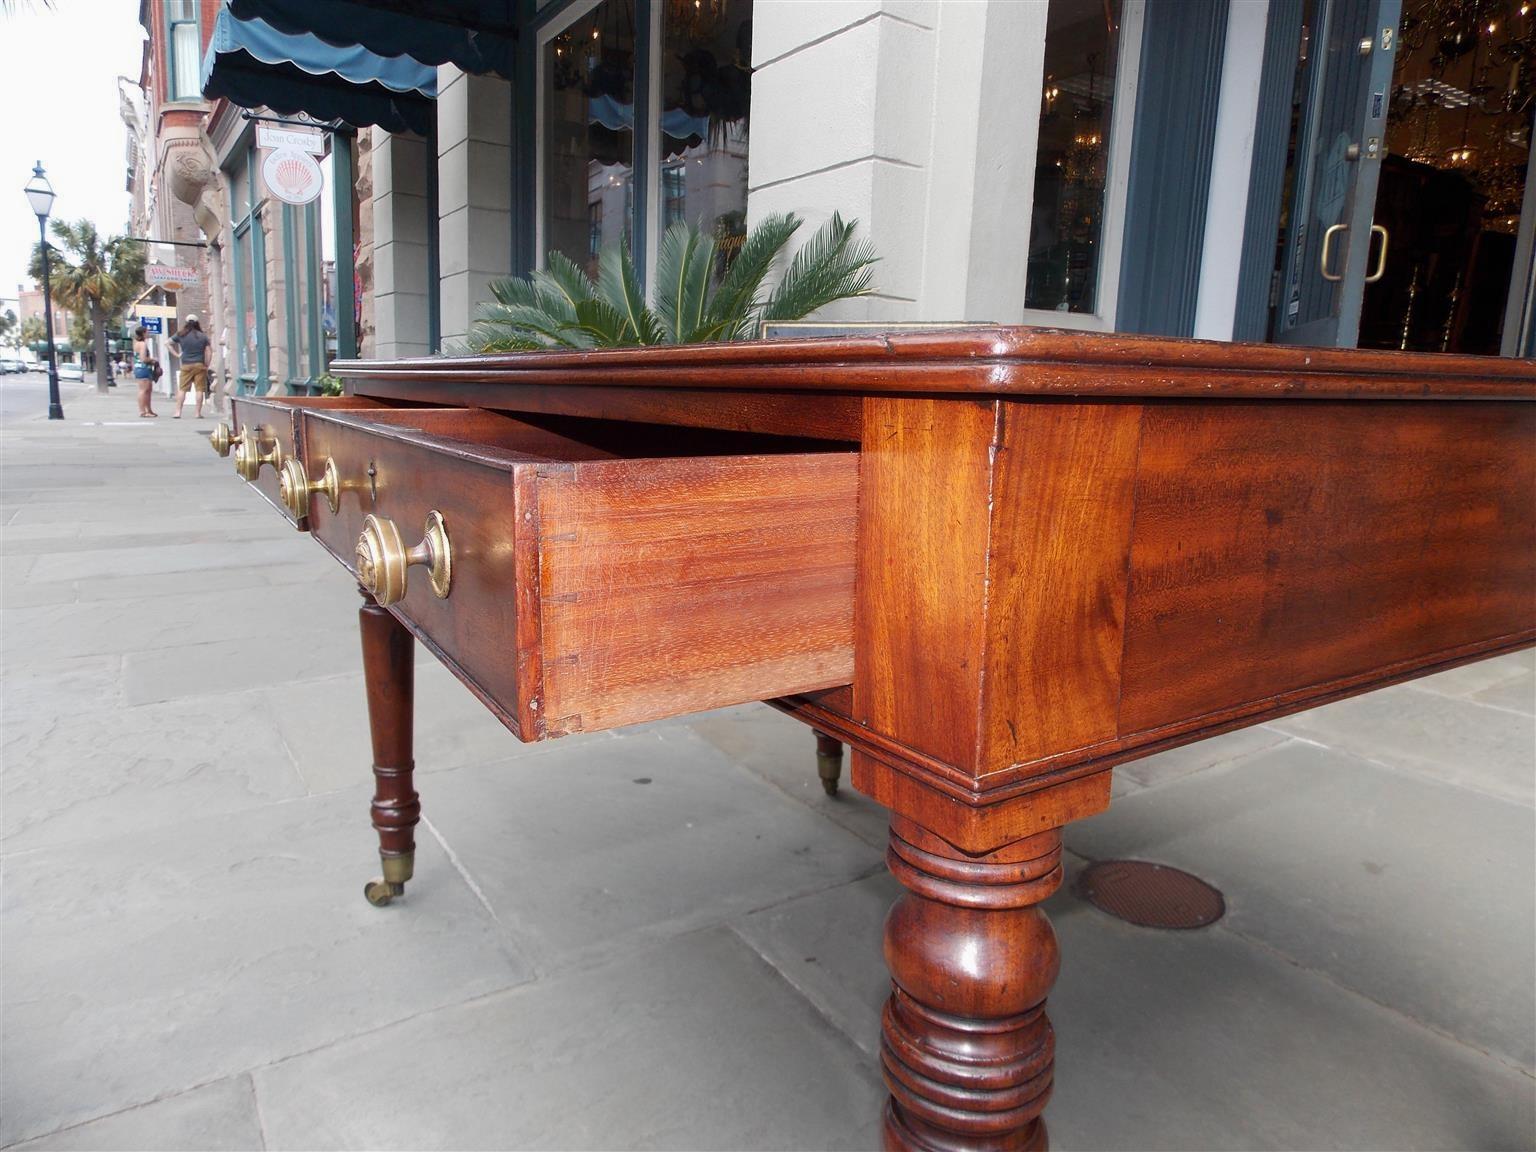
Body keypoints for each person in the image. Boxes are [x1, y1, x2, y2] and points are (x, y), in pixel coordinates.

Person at [169, 314, 211, 419]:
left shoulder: (181, 335)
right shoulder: (202, 336)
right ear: (197, 323)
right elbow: (209, 351)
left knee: (182, 389)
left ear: (186, 323)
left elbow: (167, 343)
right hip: (199, 364)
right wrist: (207, 364)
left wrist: (177, 354)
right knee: (199, 389)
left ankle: (178, 412)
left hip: (186, 365)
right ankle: (197, 413)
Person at [131, 326, 157, 418]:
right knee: (144, 390)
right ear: (143, 333)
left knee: (148, 390)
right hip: (143, 368)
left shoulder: (136, 343)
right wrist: (152, 359)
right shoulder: (142, 344)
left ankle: (149, 410)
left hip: (142, 368)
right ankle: (143, 411)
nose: (149, 333)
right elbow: (143, 358)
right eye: (147, 332)